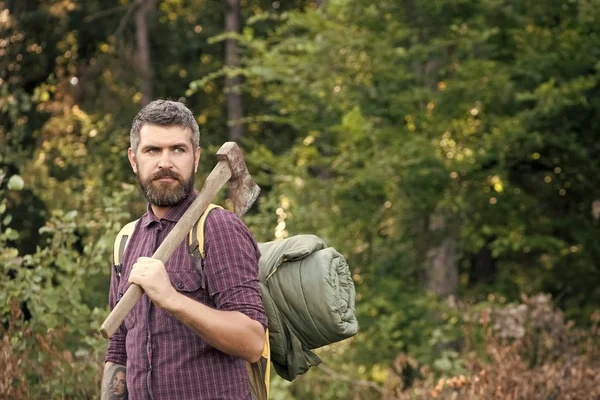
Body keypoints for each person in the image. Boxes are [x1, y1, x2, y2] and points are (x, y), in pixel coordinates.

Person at [101, 100, 267, 400]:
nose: (165, 162)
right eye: (152, 150)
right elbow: (119, 349)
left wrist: (171, 299)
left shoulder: (218, 229)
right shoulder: (126, 240)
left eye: (178, 149)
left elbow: (253, 340)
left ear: (196, 157)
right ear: (133, 159)